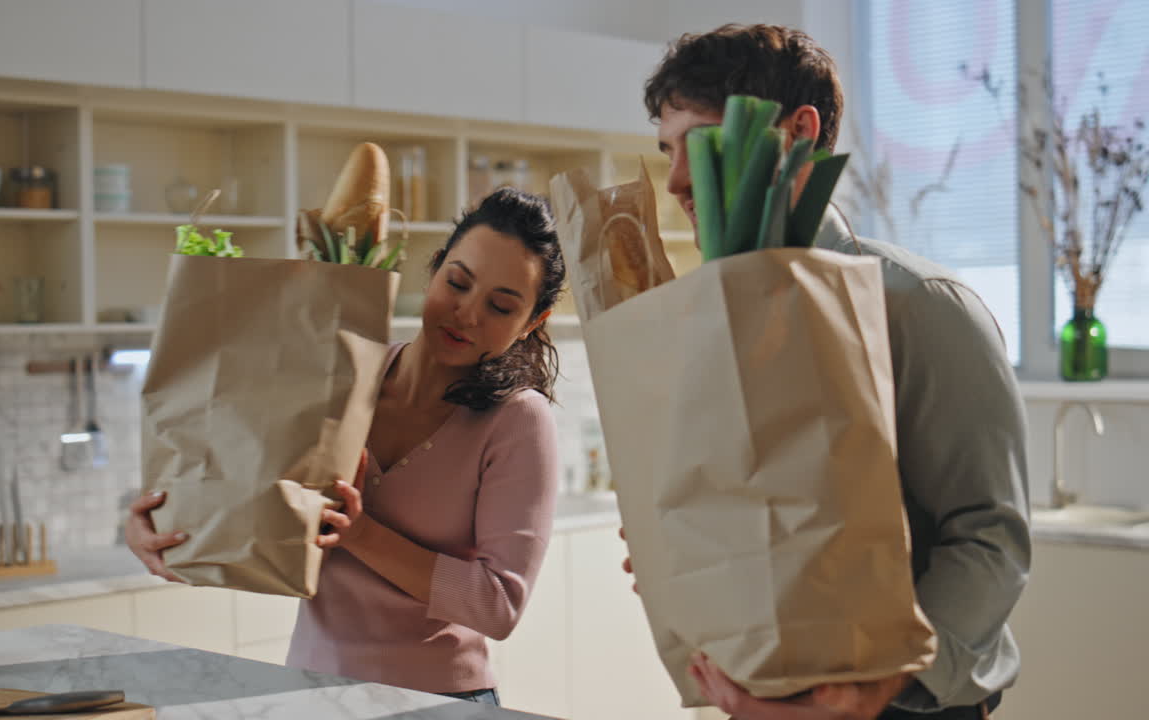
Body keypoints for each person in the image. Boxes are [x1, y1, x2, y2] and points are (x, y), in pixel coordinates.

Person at [627, 23, 1031, 720]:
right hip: (758, 691)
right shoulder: (710, 320)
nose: (677, 181)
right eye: (668, 150)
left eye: (703, 142)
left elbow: (989, 535)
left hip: (907, 704)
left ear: (799, 133)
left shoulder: (920, 304)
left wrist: (886, 684)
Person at [126, 187, 566, 707]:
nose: (467, 313)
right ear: (434, 267)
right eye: (458, 282)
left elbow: (498, 606)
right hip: (309, 693)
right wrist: (162, 524)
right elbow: (250, 495)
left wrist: (361, 535)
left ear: (531, 323)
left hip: (439, 701)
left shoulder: (517, 421)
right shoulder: (340, 376)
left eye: (500, 306)